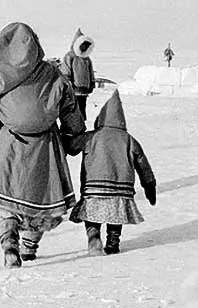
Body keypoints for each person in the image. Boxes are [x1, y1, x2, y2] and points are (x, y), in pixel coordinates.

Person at [0, 23, 86, 268]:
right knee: (40, 202)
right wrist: (74, 140)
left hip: (9, 145)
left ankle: (9, 244)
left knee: (6, 201)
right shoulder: (53, 74)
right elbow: (70, 111)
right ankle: (29, 246)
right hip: (45, 148)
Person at [66, 90, 156, 255]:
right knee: (116, 214)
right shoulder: (129, 140)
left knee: (92, 213)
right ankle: (113, 242)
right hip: (121, 188)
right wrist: (149, 184)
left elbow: (71, 148)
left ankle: (93, 237)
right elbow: (143, 164)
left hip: (94, 187)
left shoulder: (91, 136)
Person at [59, 28, 96, 120]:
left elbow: (90, 72)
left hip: (84, 90)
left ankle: (81, 125)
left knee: (82, 109)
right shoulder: (70, 56)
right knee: (74, 110)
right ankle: (74, 128)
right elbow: (66, 71)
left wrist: (92, 83)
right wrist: (68, 84)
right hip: (74, 90)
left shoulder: (86, 59)